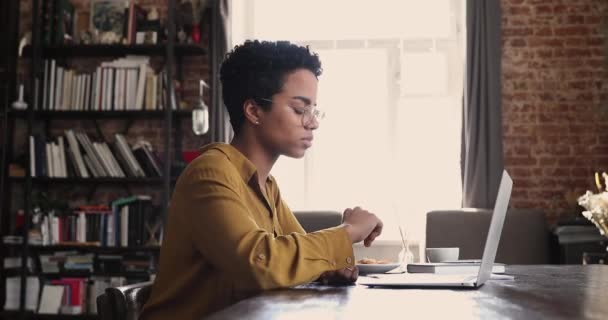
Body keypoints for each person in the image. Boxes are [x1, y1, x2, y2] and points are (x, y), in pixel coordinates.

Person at [139, 40, 383, 320]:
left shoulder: (266, 186)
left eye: (313, 110)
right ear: (254, 111)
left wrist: (327, 270)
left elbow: (294, 257)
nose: (312, 122)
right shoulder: (209, 174)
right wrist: (348, 231)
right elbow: (261, 262)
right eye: (300, 109)